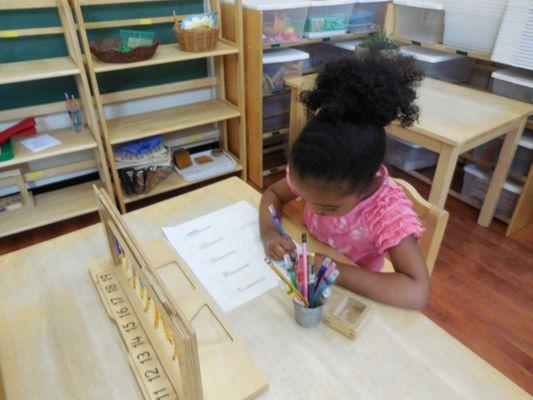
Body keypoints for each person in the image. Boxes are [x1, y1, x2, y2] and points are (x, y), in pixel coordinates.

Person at [259, 52, 430, 309]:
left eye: (329, 208)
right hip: (316, 278)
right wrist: (270, 234)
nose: (315, 210)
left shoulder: (385, 210)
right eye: (306, 200)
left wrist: (330, 267)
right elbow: (273, 193)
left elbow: (416, 292)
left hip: (353, 295)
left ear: (367, 185)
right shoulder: (319, 178)